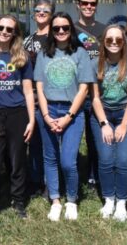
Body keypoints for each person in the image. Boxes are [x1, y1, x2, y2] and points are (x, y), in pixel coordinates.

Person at [34, 12, 95, 221]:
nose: (61, 31)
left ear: (71, 30)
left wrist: (69, 116)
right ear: (51, 31)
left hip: (73, 112)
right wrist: (45, 115)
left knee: (68, 161)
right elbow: (39, 88)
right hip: (48, 110)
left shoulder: (80, 53)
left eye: (65, 28)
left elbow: (84, 88)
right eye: (56, 28)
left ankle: (71, 199)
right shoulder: (44, 54)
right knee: (50, 158)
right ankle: (55, 200)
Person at [0, 15, 35, 220]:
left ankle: (19, 201)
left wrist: (31, 119)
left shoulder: (22, 56)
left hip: (18, 113)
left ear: (15, 33)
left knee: (18, 158)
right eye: (0, 27)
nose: (4, 32)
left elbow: (28, 91)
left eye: (9, 29)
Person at [89, 25, 127, 222]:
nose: (113, 43)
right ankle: (108, 199)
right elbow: (94, 98)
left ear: (123, 43)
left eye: (118, 40)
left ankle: (121, 201)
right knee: (105, 158)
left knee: (122, 159)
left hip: (125, 115)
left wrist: (123, 125)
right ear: (103, 41)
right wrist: (103, 124)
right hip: (102, 114)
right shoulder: (95, 64)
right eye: (109, 40)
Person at [74, 0, 106, 190]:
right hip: (75, 91)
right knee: (74, 136)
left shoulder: (104, 30)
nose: (88, 7)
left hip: (97, 92)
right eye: (85, 3)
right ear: (78, 4)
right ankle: (73, 173)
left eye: (92, 4)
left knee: (95, 136)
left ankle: (94, 175)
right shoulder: (70, 29)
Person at [23, 0, 54, 198]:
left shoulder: (57, 36)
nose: (41, 12)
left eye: (46, 10)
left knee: (51, 142)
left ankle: (51, 182)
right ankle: (35, 180)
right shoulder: (28, 40)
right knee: (34, 142)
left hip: (52, 97)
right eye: (38, 10)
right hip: (32, 97)